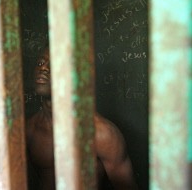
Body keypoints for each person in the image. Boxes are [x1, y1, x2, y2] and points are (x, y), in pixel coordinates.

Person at [26, 45, 138, 190]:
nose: (43, 69)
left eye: (53, 64)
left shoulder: (100, 133)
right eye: (41, 63)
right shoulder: (29, 129)